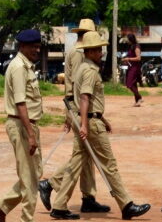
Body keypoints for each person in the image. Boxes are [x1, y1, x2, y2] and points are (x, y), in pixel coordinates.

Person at [47, 31, 151, 220]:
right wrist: (86, 124)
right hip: (90, 123)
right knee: (109, 164)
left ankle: (59, 205)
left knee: (76, 164)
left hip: (89, 119)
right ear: (90, 51)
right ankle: (126, 204)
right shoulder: (89, 71)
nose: (101, 53)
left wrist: (100, 119)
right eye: (98, 50)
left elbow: (88, 100)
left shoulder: (83, 68)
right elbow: (85, 98)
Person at [39, 19, 108, 214]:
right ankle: (51, 184)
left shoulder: (73, 51)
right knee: (82, 154)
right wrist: (76, 115)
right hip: (79, 107)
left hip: (76, 106)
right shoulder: (80, 55)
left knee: (85, 155)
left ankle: (88, 197)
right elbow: (81, 89)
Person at [0, 29, 45, 222]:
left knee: (35, 174)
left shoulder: (26, 65)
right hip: (22, 125)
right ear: (22, 46)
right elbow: (21, 103)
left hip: (27, 124)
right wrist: (30, 134)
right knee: (29, 179)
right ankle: (26, 219)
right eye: (33, 47)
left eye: (38, 46)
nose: (36, 50)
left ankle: (0, 207)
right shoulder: (19, 67)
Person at [123, 34, 143, 107]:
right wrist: (126, 59)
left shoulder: (136, 46)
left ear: (130, 39)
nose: (126, 40)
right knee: (133, 84)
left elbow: (138, 58)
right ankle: (137, 101)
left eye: (127, 39)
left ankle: (140, 97)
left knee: (129, 84)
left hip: (135, 68)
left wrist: (128, 59)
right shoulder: (130, 46)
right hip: (131, 67)